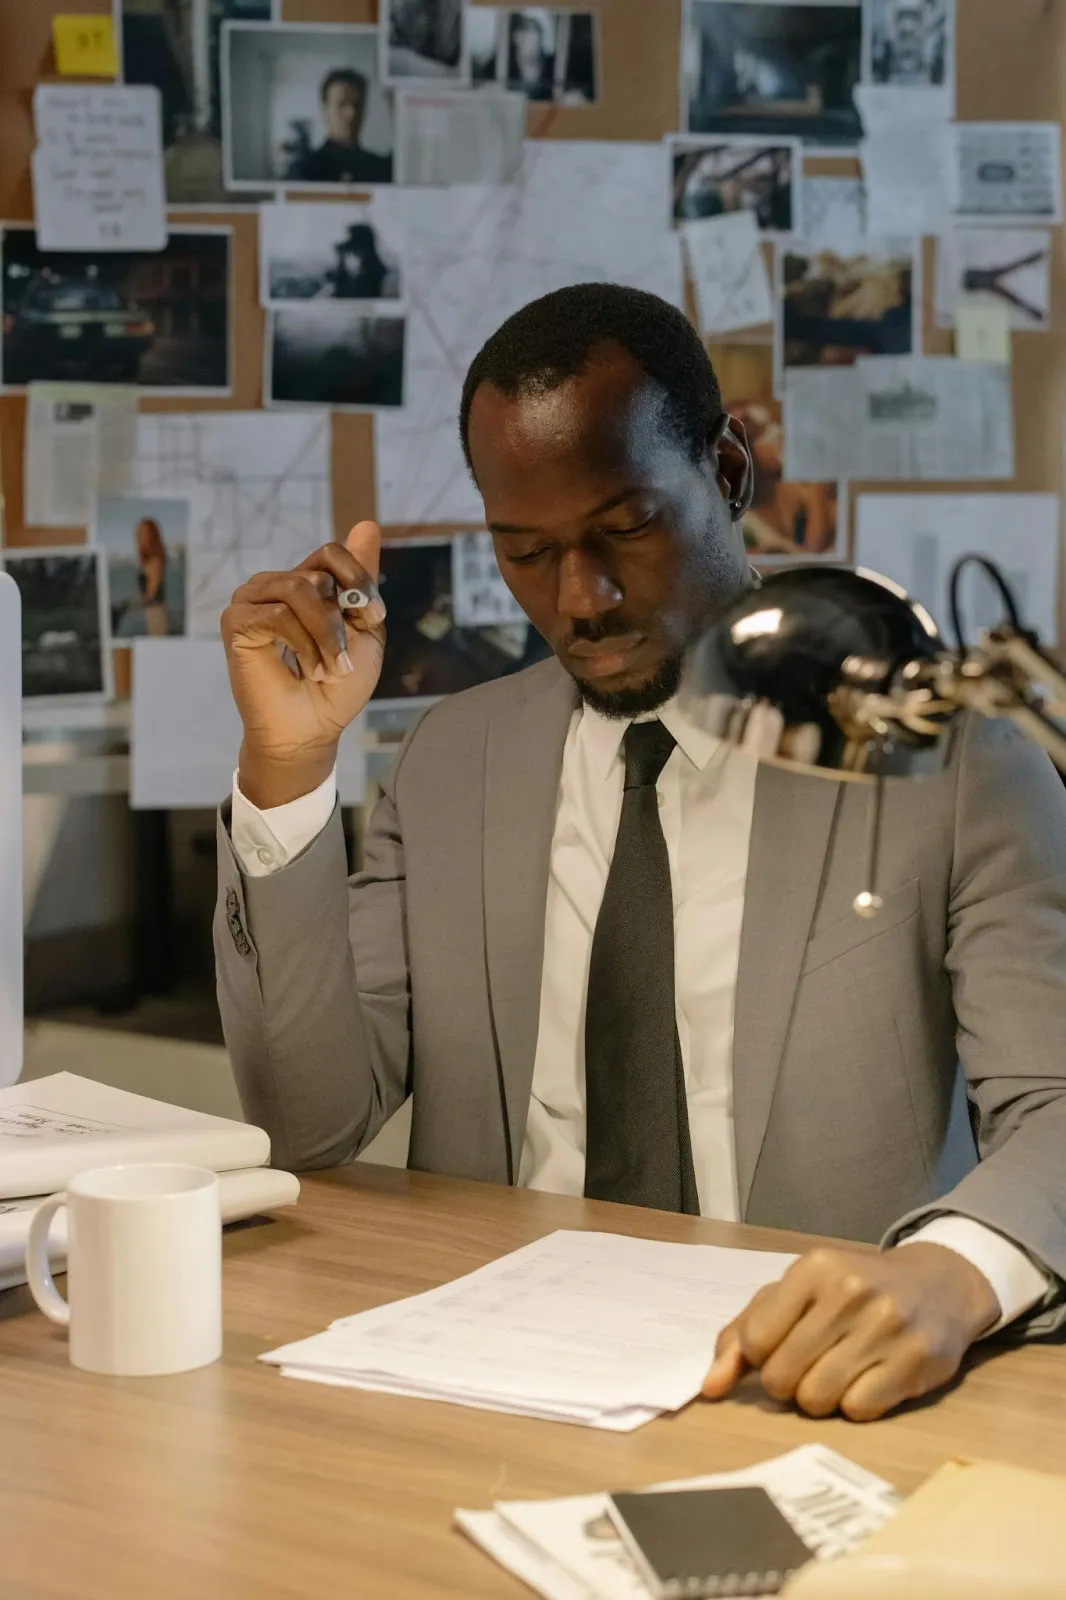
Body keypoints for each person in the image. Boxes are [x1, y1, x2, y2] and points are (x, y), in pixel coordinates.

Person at [216, 283, 1066, 1422]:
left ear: (725, 473)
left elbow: (1053, 1102)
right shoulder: (452, 758)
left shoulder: (944, 753)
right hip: (481, 1377)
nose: (582, 599)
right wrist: (288, 771)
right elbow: (311, 1125)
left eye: (625, 530)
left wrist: (955, 1273)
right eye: (527, 553)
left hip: (805, 1384)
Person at [286, 69, 392, 185]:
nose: (351, 113)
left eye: (357, 105)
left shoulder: (381, 168)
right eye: (341, 104)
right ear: (325, 110)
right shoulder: (304, 171)